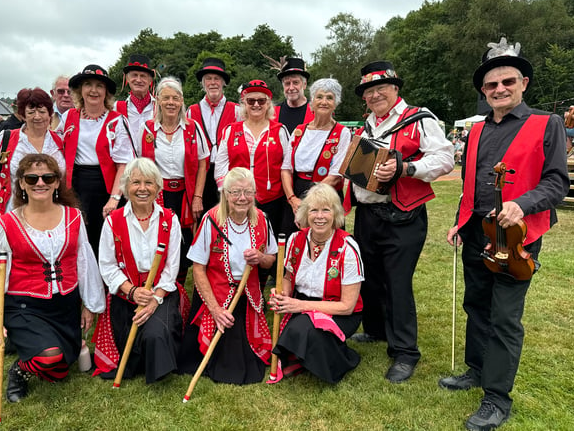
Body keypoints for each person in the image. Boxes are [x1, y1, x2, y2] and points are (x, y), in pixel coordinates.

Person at [439, 37, 569, 431]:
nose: (500, 89)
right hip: (478, 232)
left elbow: (557, 183)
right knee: (476, 306)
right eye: (492, 85)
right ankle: (476, 370)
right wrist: (462, 224)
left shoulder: (548, 124)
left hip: (516, 238)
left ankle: (496, 397)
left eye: (507, 82)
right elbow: (473, 185)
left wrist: (523, 204)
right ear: (484, 91)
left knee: (505, 318)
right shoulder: (476, 131)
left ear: (523, 83)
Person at [349, 61, 454, 384]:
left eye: (381, 88)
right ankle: (377, 331)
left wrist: (406, 169)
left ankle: (405, 352)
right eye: (369, 91)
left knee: (397, 282)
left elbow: (445, 158)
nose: (375, 95)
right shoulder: (364, 127)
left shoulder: (419, 118)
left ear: (396, 89)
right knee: (370, 277)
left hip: (404, 215)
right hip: (367, 214)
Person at [0, 153, 105, 403]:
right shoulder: (8, 223)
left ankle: (37, 351)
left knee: (60, 370)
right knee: (49, 358)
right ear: (22, 183)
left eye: (47, 177)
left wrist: (89, 305)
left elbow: (84, 263)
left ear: (57, 182)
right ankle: (20, 370)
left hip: (65, 306)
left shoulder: (74, 217)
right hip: (26, 306)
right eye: (32, 178)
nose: (40, 183)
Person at [178, 167, 276, 384]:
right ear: (225, 195)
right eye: (236, 192)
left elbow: (271, 259)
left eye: (248, 192)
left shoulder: (262, 219)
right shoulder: (211, 220)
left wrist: (260, 257)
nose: (242, 198)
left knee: (240, 360)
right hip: (214, 292)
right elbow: (198, 268)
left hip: (244, 294)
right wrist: (215, 310)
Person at [93, 158, 187, 383]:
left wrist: (155, 299)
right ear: (125, 187)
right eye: (136, 183)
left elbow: (172, 267)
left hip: (160, 292)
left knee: (155, 334)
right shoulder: (112, 221)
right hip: (126, 293)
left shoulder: (170, 220)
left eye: (149, 182)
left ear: (158, 187)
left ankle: (157, 364)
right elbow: (107, 266)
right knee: (128, 334)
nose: (142, 188)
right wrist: (133, 292)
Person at [269, 183, 363, 384]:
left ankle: (345, 360)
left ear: (335, 214)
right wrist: (283, 295)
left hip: (338, 311)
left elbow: (347, 307)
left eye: (326, 210)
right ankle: (313, 355)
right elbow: (287, 277)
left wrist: (300, 306)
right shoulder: (295, 240)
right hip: (303, 304)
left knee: (304, 330)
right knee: (307, 330)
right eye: (314, 210)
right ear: (305, 214)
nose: (319, 216)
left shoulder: (347, 248)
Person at [140, 76, 208, 289]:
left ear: (181, 101)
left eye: (175, 98)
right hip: (157, 195)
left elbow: (203, 163)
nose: (171, 102)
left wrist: (197, 196)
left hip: (185, 194)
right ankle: (158, 283)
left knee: (184, 240)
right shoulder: (148, 129)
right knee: (158, 237)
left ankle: (178, 286)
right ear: (158, 100)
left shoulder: (192, 128)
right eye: (166, 97)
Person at [59, 64, 135, 256]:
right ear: (80, 90)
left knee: (104, 241)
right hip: (74, 185)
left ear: (106, 92)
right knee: (75, 237)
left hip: (105, 187)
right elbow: (55, 149)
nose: (93, 90)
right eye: (88, 84)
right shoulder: (68, 117)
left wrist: (114, 198)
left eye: (99, 86)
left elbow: (124, 164)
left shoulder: (116, 121)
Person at [215, 79, 289, 238]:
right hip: (237, 201)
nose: (256, 104)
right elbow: (221, 166)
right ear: (244, 103)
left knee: (269, 244)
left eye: (261, 100)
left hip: (272, 200)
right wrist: (227, 195)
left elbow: (287, 166)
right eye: (251, 100)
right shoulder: (231, 130)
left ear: (268, 104)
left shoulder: (280, 130)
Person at [0, 88, 65, 222]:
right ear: (23, 115)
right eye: (31, 112)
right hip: (14, 212)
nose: (37, 116)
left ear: (50, 114)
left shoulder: (61, 141)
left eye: (42, 111)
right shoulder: (5, 139)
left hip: (53, 211)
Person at [281, 78, 352, 234]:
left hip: (326, 193)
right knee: (292, 244)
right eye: (319, 97)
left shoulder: (342, 133)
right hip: (296, 194)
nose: (324, 102)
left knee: (325, 245)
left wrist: (307, 204)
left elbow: (335, 175)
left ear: (336, 103)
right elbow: (286, 168)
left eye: (329, 97)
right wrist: (293, 199)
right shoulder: (299, 131)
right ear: (312, 101)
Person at [186, 57, 240, 213]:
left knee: (228, 212)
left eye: (217, 78)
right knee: (201, 214)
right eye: (208, 79)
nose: (213, 82)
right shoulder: (191, 111)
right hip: (201, 172)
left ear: (223, 82)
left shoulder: (236, 110)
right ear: (203, 83)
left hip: (227, 170)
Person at [115, 54, 156, 154]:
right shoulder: (116, 108)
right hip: (126, 166)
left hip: (154, 166)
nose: (138, 80)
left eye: (143, 76)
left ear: (150, 80)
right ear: (127, 79)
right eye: (134, 75)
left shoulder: (160, 107)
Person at [273, 57, 314, 134]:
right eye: (287, 83)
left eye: (295, 82)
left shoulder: (315, 112)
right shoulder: (273, 112)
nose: (291, 88)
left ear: (304, 84)